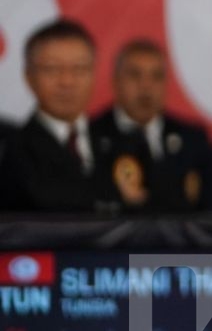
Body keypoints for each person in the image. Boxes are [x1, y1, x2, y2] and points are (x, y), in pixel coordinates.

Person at [0, 19, 150, 213]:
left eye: (79, 68)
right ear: (29, 77)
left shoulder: (126, 143)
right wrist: (115, 196)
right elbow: (42, 200)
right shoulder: (12, 149)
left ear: (94, 74)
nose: (67, 81)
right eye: (52, 69)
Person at [90, 38, 212, 212]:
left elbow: (208, 209)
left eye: (156, 76)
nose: (146, 86)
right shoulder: (91, 135)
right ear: (115, 80)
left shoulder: (192, 138)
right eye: (135, 75)